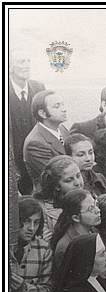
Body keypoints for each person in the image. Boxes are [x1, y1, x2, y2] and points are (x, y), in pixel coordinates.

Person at [10, 50, 46, 193]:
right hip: (13, 160)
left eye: (28, 61)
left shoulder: (39, 88)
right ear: (9, 66)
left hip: (35, 156)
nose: (26, 66)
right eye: (21, 62)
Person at [23, 90, 70, 184]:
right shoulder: (35, 144)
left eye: (62, 104)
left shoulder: (61, 128)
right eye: (57, 106)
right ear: (42, 113)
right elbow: (58, 176)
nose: (64, 109)